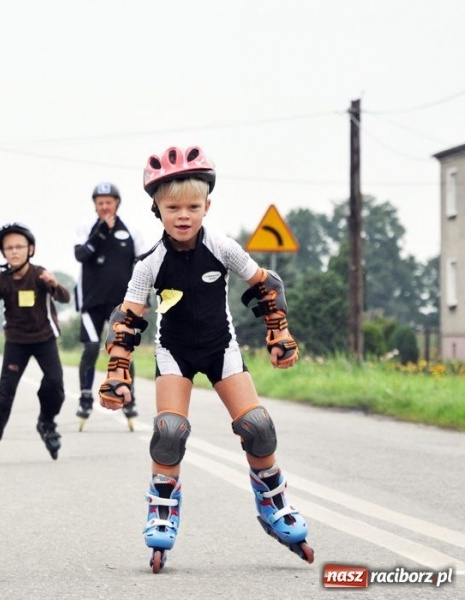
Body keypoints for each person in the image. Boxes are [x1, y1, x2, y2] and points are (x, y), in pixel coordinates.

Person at [97, 145, 312, 573]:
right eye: (173, 207)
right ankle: (162, 509)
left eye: (193, 207)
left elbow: (266, 285)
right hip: (174, 353)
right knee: (169, 432)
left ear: (207, 206)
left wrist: (278, 331)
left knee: (258, 427)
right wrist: (118, 372)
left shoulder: (223, 247)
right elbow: (126, 320)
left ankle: (273, 504)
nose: (183, 215)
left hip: (221, 348)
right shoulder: (149, 264)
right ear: (157, 209)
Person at [0, 223, 70, 465]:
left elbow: (64, 297)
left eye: (19, 247)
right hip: (16, 342)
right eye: (9, 248)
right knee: (6, 391)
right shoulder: (1, 281)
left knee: (55, 384)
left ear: (30, 249)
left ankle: (46, 423)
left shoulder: (40, 275)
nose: (14, 251)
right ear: (3, 253)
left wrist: (54, 284)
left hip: (45, 338)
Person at [73, 182, 148, 427]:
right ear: (95, 205)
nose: (105, 207)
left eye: (109, 202)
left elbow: (142, 264)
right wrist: (102, 232)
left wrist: (144, 299)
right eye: (100, 203)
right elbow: (81, 255)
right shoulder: (86, 227)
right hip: (92, 300)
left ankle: (128, 396)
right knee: (91, 348)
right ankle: (85, 398)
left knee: (123, 350)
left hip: (121, 303)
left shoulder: (131, 230)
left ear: (117, 204)